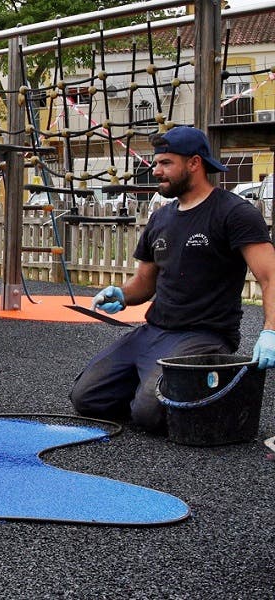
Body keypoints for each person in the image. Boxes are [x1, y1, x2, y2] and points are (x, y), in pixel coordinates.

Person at [71, 126, 275, 434]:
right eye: (156, 163)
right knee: (85, 398)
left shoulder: (234, 213)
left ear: (194, 163)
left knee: (148, 415)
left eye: (166, 163)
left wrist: (270, 331)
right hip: (154, 330)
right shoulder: (161, 219)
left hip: (205, 335)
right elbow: (145, 282)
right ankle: (156, 387)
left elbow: (269, 275)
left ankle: (173, 391)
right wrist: (122, 295)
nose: (156, 170)